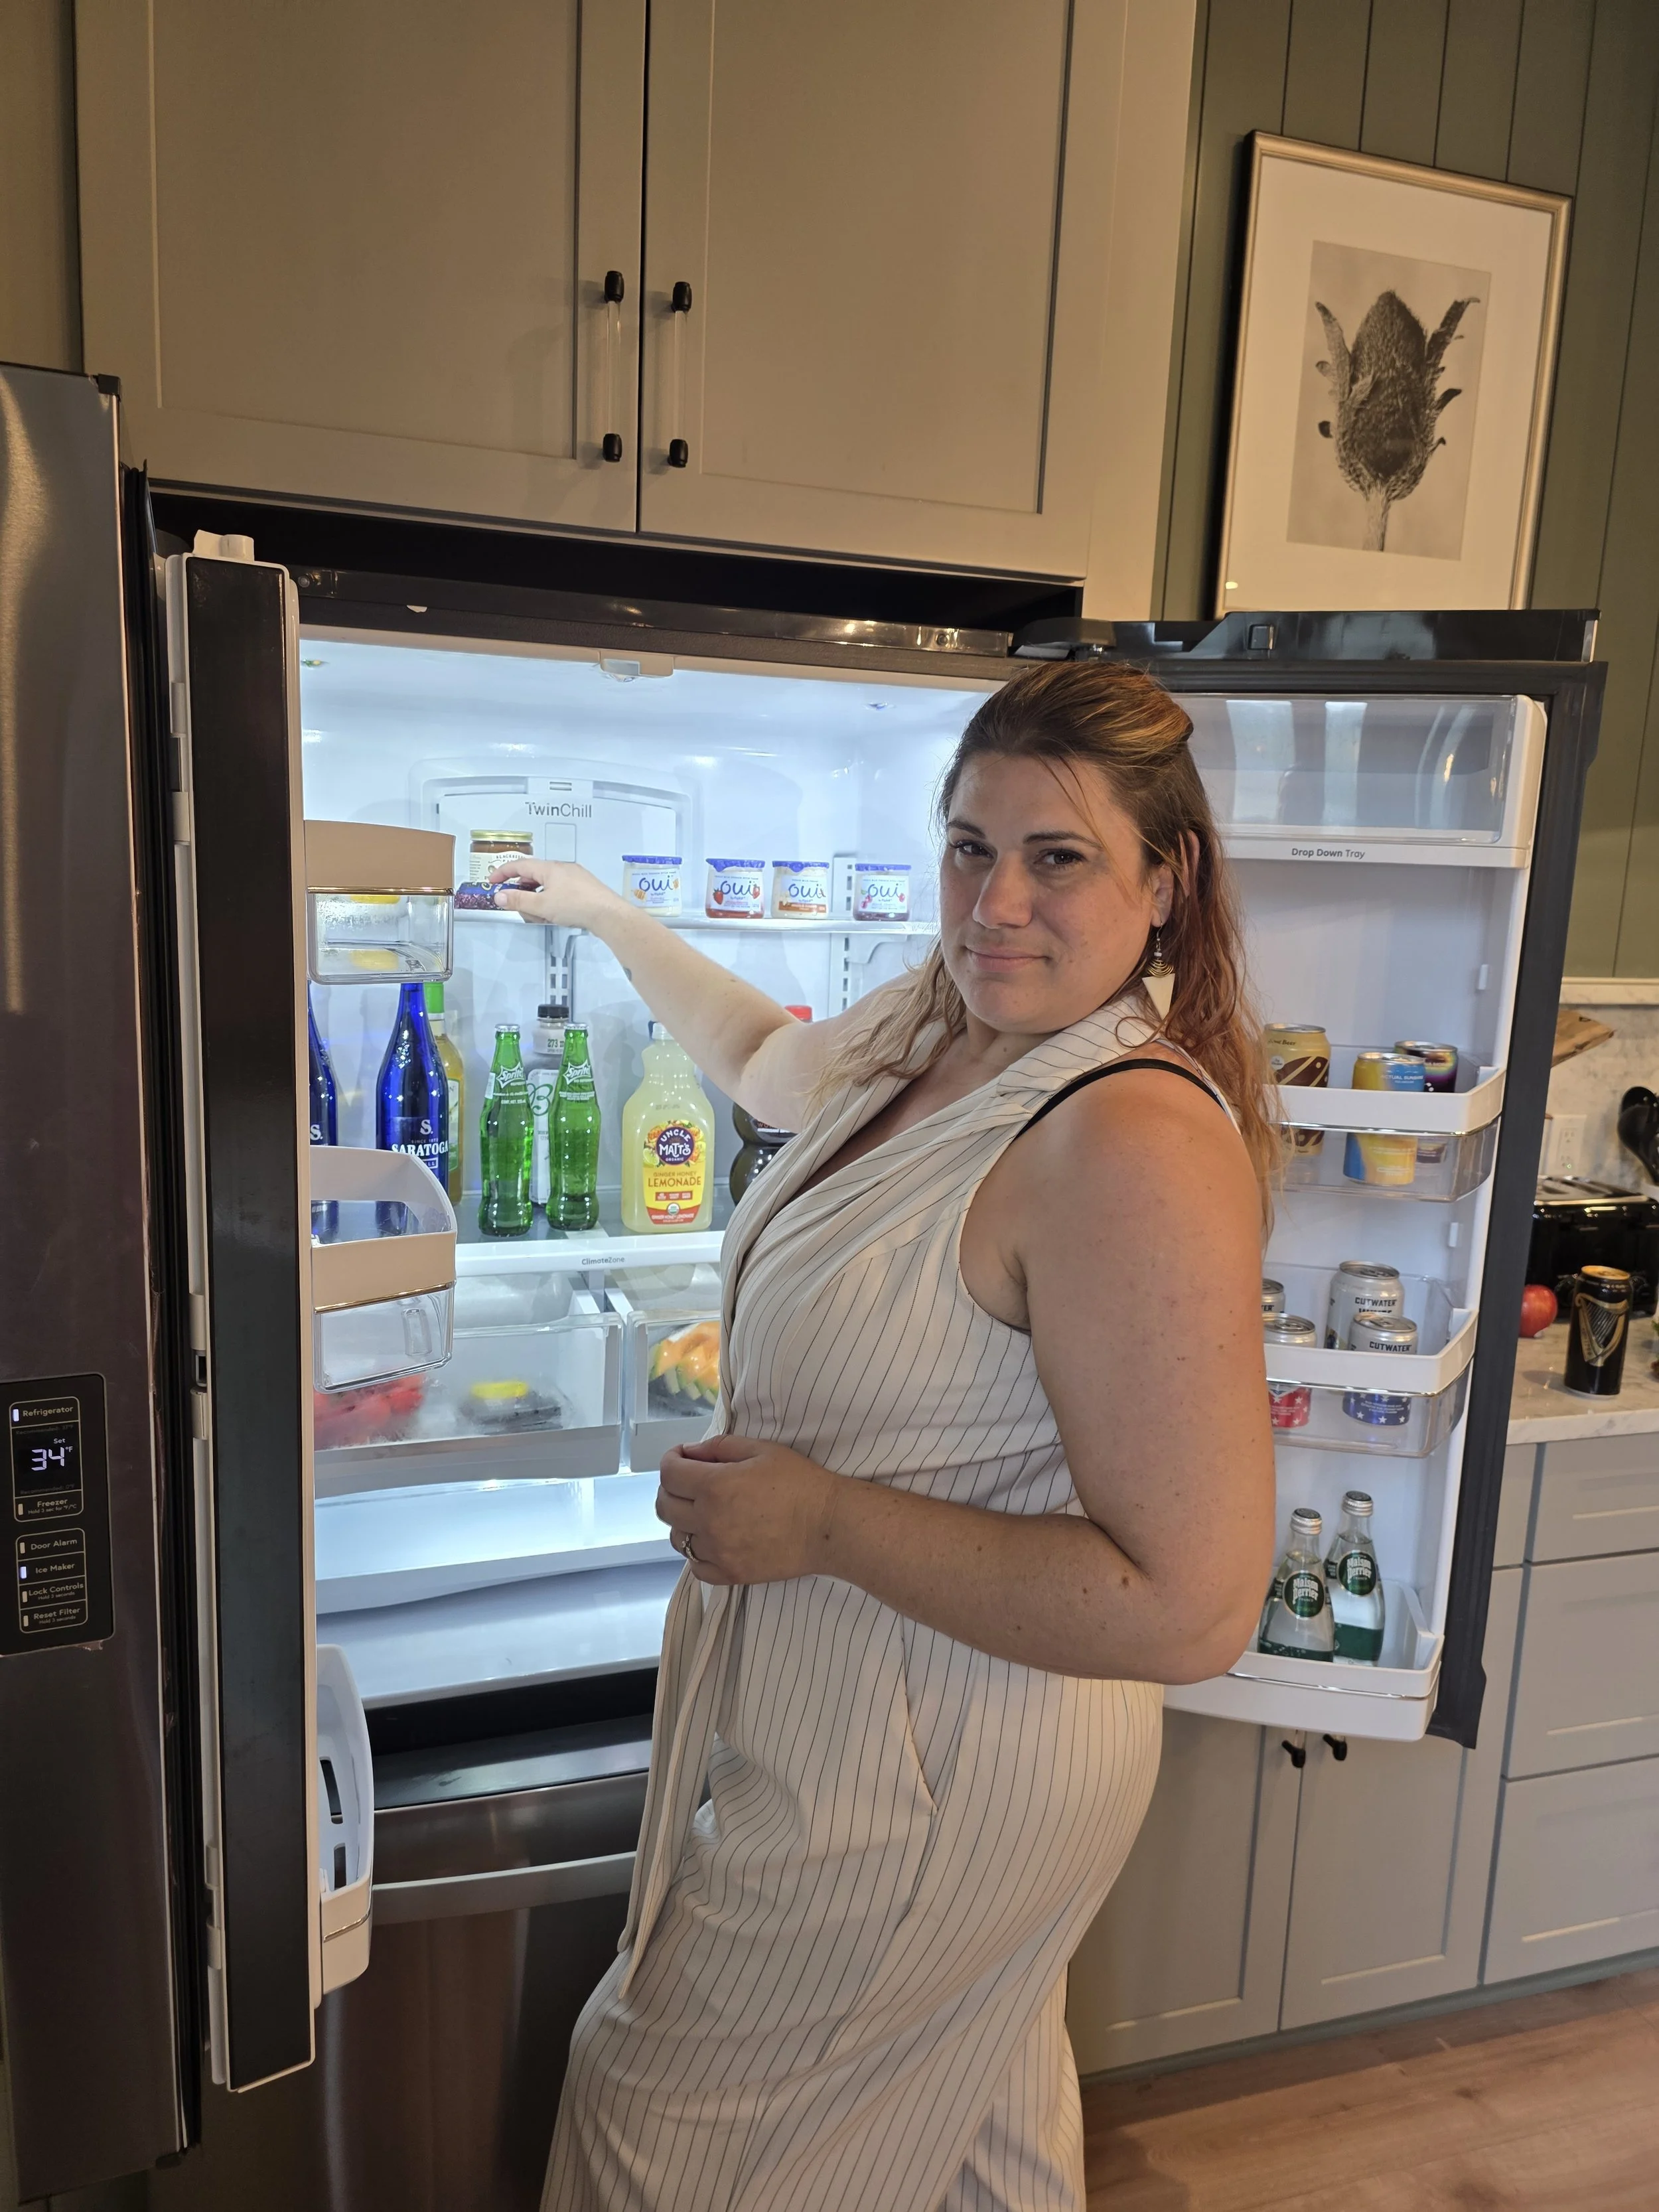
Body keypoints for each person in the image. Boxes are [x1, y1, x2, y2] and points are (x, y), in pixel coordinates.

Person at [498, 660, 1277, 2212]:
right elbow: (757, 1059)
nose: (994, 901)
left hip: (926, 1782)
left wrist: (822, 1522)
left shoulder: (1123, 1136)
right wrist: (604, 915)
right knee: (974, 2150)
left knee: (658, 2132)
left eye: (1056, 857)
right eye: (967, 846)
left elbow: (1191, 1603)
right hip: (862, 1735)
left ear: (1163, 882)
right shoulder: (941, 1025)